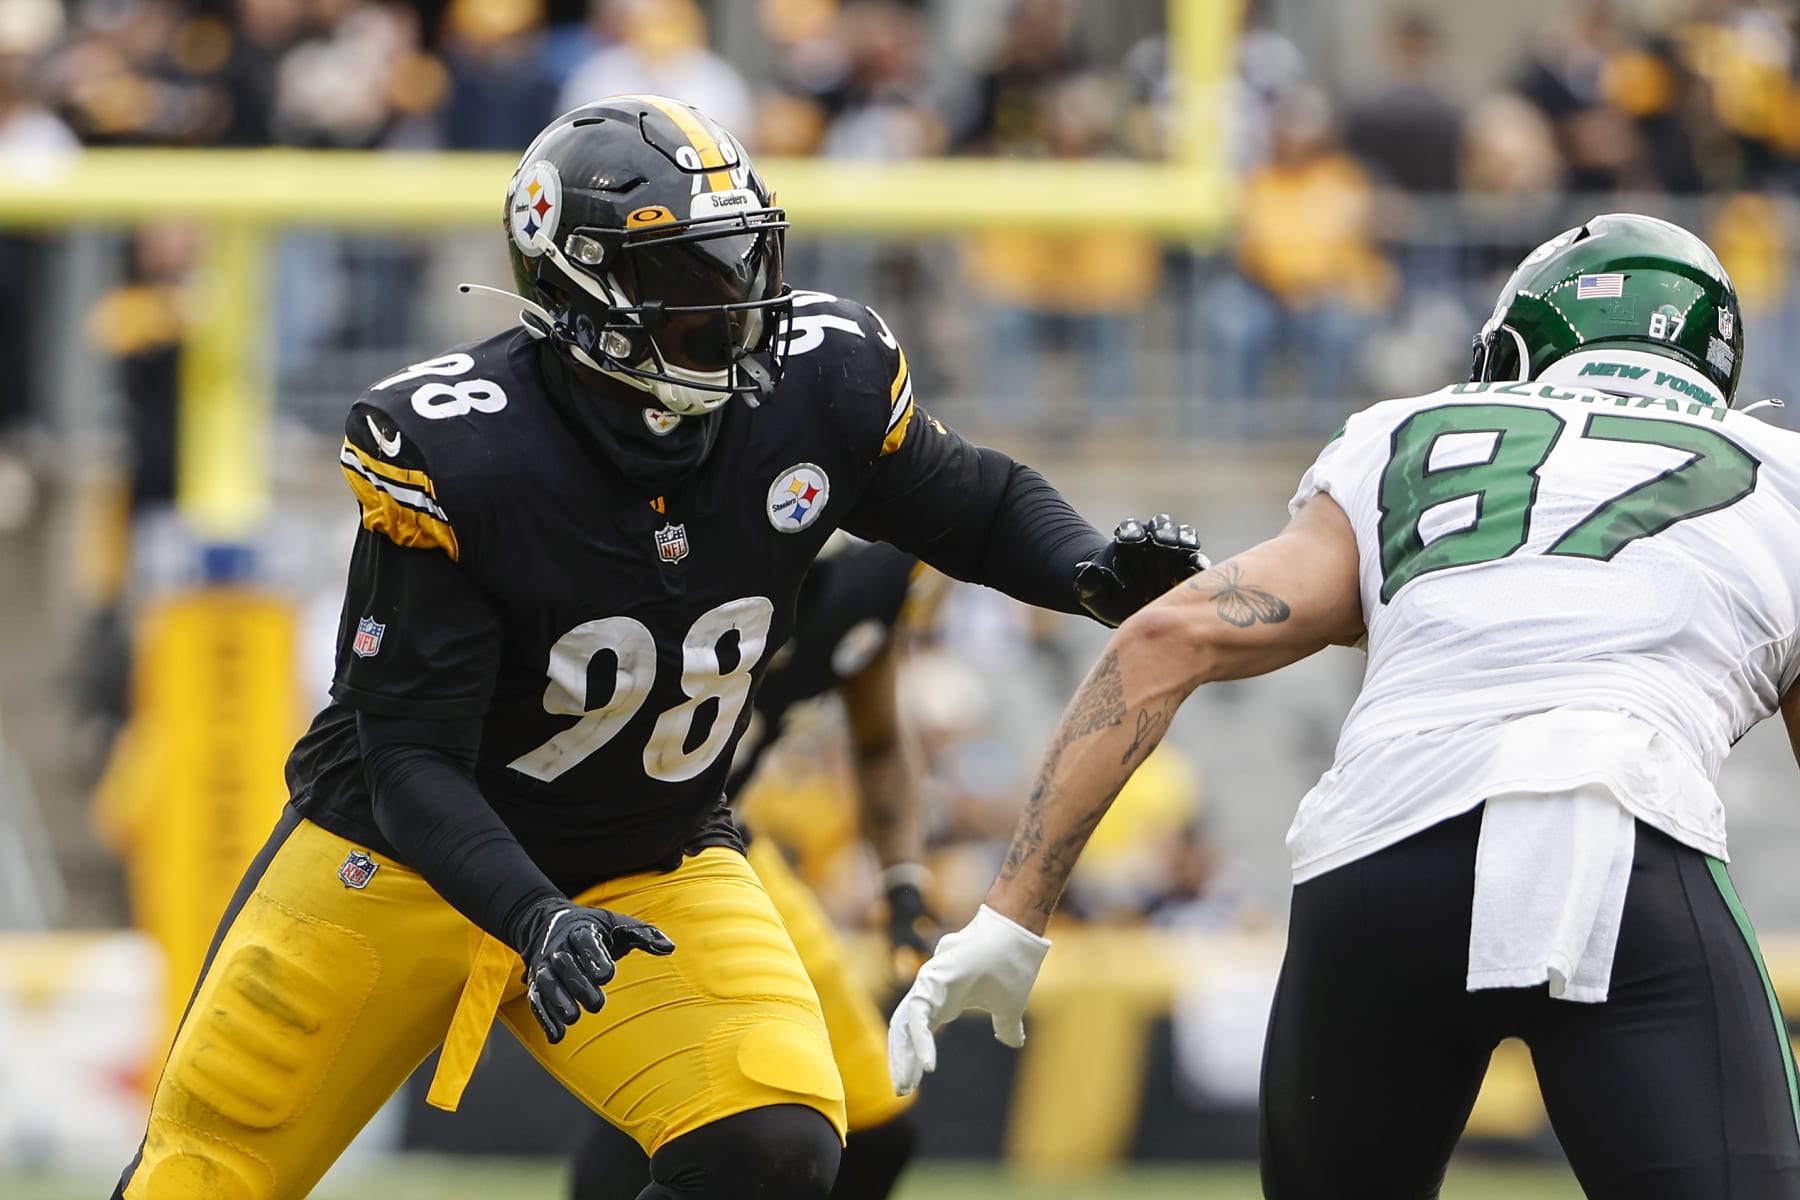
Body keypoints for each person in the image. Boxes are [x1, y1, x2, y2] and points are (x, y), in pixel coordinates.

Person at [110, 95, 1204, 1200]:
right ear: (584, 292)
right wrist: (534, 915)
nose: (741, 303)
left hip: (649, 855)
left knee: (774, 1146)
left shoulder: (819, 381)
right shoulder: (460, 450)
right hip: (391, 866)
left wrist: (1087, 570)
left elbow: (974, 501)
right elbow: (410, 762)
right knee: (206, 1177)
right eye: (694, 278)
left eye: (743, 262)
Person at [892, 212, 1800, 1200]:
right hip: (1617, 826)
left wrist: (1011, 913)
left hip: (1377, 859)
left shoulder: (1409, 433)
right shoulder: (1783, 477)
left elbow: (1166, 636)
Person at [569, 535, 939, 1200]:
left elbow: (880, 740)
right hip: (592, 839)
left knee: (876, 1122)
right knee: (688, 1120)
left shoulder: (865, 579)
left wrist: (903, 883)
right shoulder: (673, 546)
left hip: (720, 836)